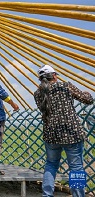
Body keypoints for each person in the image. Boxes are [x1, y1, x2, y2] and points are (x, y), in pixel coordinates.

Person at [33, 65, 93, 197]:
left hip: (51, 134)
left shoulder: (37, 94)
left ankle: (47, 195)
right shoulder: (65, 86)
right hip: (71, 132)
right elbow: (87, 100)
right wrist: (87, 93)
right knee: (76, 168)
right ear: (54, 76)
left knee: (51, 165)